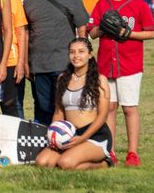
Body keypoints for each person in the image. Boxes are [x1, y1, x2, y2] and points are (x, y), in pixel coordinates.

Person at [88, 0, 154, 166]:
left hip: (130, 65)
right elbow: (91, 34)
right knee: (109, 108)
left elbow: (152, 32)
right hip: (106, 65)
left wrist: (129, 33)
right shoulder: (102, 3)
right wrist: (102, 29)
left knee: (129, 108)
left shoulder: (139, 4)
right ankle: (111, 150)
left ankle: (132, 153)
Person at [24, 0, 89, 125]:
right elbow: (25, 33)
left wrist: (81, 62)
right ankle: (45, 146)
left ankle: (68, 146)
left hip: (65, 65)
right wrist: (25, 63)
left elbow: (82, 31)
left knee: (67, 109)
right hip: (39, 67)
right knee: (43, 109)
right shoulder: (29, 1)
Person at [35, 38, 113, 170]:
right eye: (72, 52)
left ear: (90, 55)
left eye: (81, 52)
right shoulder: (62, 79)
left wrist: (82, 138)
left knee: (66, 163)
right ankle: (71, 155)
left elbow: (103, 116)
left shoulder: (100, 80)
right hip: (68, 135)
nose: (76, 56)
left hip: (94, 135)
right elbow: (59, 112)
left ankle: (104, 162)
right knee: (42, 162)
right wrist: (53, 135)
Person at [7, 0, 40, 119]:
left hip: (37, 45)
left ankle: (41, 134)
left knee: (40, 97)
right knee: (14, 98)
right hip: (13, 46)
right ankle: (17, 134)